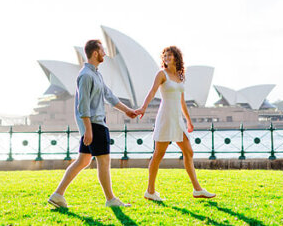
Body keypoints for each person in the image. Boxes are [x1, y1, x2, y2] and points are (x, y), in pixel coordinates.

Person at [48, 39, 139, 209]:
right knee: (104, 161)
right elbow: (83, 105)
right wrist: (88, 130)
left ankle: (58, 195)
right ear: (95, 53)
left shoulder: (96, 73)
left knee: (83, 161)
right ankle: (111, 199)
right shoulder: (85, 75)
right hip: (94, 125)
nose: (105, 53)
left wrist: (127, 110)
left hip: (95, 124)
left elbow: (109, 95)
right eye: (102, 50)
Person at [136, 46, 215, 201]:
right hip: (165, 117)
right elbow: (152, 92)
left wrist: (189, 121)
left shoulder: (179, 76)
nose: (166, 57)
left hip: (177, 119)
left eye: (169, 55)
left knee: (189, 152)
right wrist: (143, 108)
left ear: (176, 57)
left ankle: (197, 189)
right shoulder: (161, 74)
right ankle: (150, 191)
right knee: (158, 154)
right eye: (164, 55)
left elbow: (182, 102)